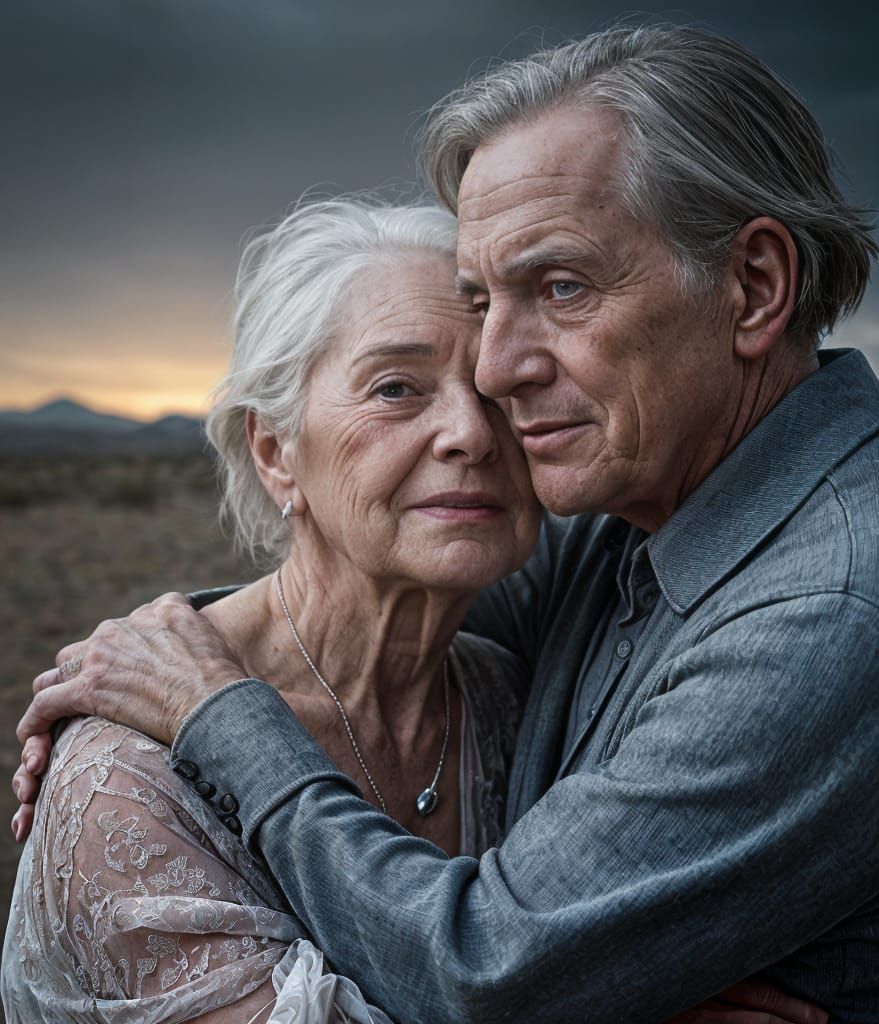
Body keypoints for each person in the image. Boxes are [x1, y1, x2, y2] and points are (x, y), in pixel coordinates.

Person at [13, 23, 879, 1023]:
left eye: (561, 286)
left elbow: (488, 974)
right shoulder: (637, 508)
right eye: (481, 303)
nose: (496, 373)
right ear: (271, 448)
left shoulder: (836, 608)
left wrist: (219, 713)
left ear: (752, 288)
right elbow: (384, 571)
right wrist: (155, 655)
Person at [1, 198, 542, 1021]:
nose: (471, 432)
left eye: (498, 390)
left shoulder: (506, 699)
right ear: (275, 452)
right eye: (396, 388)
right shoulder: (128, 779)